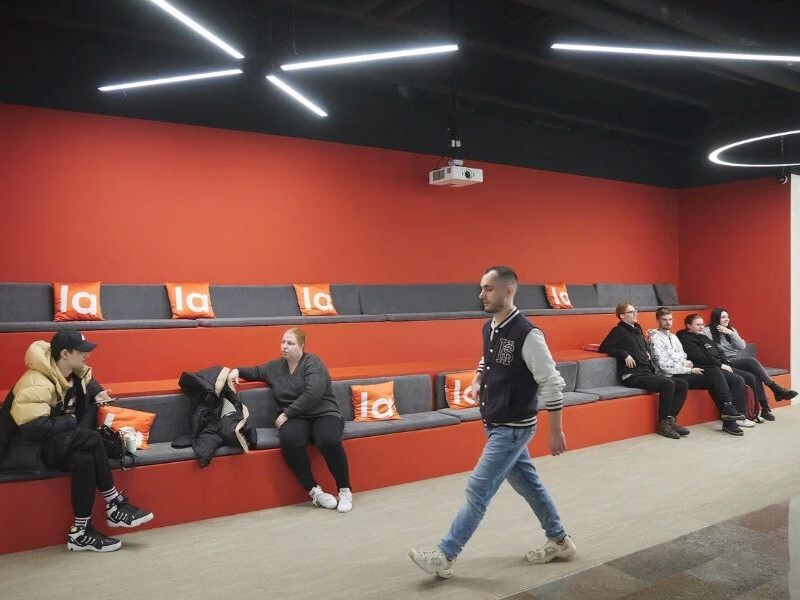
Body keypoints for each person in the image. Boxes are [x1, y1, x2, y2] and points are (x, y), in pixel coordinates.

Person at [409, 266, 576, 579]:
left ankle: (446, 555)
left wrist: (556, 430)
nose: (481, 295)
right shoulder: (490, 327)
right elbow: (489, 358)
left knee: (478, 489)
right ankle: (559, 540)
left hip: (513, 429)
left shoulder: (528, 334)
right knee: (530, 485)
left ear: (508, 290)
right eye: (482, 288)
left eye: (488, 288)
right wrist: (478, 377)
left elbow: (552, 382)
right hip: (497, 423)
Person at [0, 330, 153, 552]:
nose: (87, 355)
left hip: (55, 443)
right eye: (82, 351)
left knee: (84, 460)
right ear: (65, 354)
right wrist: (69, 421)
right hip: (32, 448)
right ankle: (114, 503)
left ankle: (81, 532)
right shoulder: (36, 382)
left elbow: (89, 382)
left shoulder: (73, 372)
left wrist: (97, 393)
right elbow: (33, 428)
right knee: (91, 437)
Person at [228, 328, 353, 513]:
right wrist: (235, 371)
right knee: (290, 440)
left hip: (324, 412)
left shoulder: (313, 362)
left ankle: (344, 490)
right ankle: (314, 491)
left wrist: (286, 414)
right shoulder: (275, 367)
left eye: (290, 343)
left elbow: (313, 393)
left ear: (301, 346)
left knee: (327, 439)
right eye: (283, 342)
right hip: (297, 417)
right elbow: (255, 371)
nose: (284, 346)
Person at [599, 302, 689, 439]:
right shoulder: (618, 331)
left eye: (635, 311)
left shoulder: (637, 328)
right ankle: (663, 424)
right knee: (668, 384)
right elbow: (604, 347)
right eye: (631, 312)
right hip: (632, 375)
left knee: (683, 384)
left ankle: (671, 418)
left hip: (645, 372)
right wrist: (624, 354)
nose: (635, 313)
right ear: (622, 316)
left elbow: (640, 346)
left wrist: (646, 350)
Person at [647, 307, 746, 430]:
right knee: (714, 377)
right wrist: (688, 369)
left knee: (715, 376)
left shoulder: (673, 337)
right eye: (664, 320)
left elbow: (683, 356)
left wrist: (686, 363)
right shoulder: (655, 339)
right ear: (658, 320)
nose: (668, 322)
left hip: (682, 371)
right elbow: (663, 366)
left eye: (670, 319)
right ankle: (728, 413)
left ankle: (728, 413)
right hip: (670, 375)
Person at [704, 308, 797, 421]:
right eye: (723, 317)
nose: (727, 319)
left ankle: (765, 408)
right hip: (723, 361)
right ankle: (775, 389)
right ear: (716, 318)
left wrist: (731, 333)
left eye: (728, 317)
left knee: (755, 375)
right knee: (751, 361)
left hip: (735, 360)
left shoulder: (731, 330)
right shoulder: (707, 332)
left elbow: (741, 346)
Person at [677, 314, 754, 435]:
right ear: (689, 326)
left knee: (738, 380)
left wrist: (724, 362)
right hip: (701, 369)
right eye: (698, 324)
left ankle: (739, 416)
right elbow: (699, 357)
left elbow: (719, 350)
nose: (701, 327)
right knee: (717, 376)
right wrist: (720, 364)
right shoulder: (685, 339)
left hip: (714, 368)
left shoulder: (703, 337)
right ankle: (730, 417)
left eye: (702, 324)